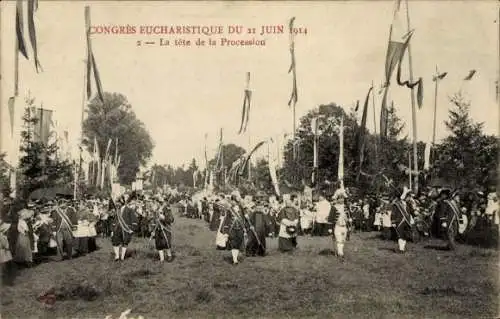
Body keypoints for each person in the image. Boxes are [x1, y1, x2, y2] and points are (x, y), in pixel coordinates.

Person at [111, 194, 139, 261]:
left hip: (125, 229)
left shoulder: (129, 210)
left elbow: (134, 220)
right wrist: (112, 230)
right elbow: (114, 221)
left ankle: (122, 257)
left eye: (118, 202)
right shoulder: (117, 211)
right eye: (117, 202)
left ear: (122, 202)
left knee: (125, 242)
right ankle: (117, 256)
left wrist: (132, 229)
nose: (117, 204)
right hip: (116, 229)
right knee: (115, 242)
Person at [153, 197, 175, 262]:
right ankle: (161, 259)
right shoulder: (156, 210)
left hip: (165, 228)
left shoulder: (167, 209)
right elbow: (153, 219)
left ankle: (169, 256)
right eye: (157, 202)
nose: (158, 203)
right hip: (157, 229)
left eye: (160, 202)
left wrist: (164, 218)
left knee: (166, 243)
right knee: (158, 244)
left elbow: (171, 219)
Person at [331, 188, 349, 262]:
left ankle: (340, 251)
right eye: (340, 199)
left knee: (343, 240)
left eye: (343, 199)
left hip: (344, 226)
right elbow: (331, 217)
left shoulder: (345, 207)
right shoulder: (334, 207)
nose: (342, 200)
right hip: (337, 226)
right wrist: (330, 228)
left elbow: (348, 215)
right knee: (339, 240)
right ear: (337, 199)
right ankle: (340, 253)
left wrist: (348, 220)